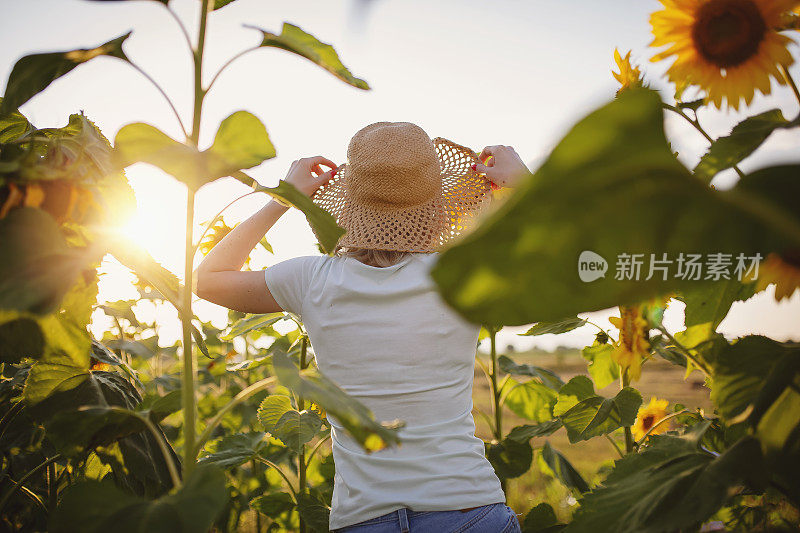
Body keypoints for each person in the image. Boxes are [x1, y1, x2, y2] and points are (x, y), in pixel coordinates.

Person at [195, 122, 530, 532]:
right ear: (439, 204)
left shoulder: (311, 280)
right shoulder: (464, 275)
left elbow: (208, 279)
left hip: (364, 519)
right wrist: (526, 189)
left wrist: (283, 199)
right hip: (467, 509)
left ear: (349, 204)